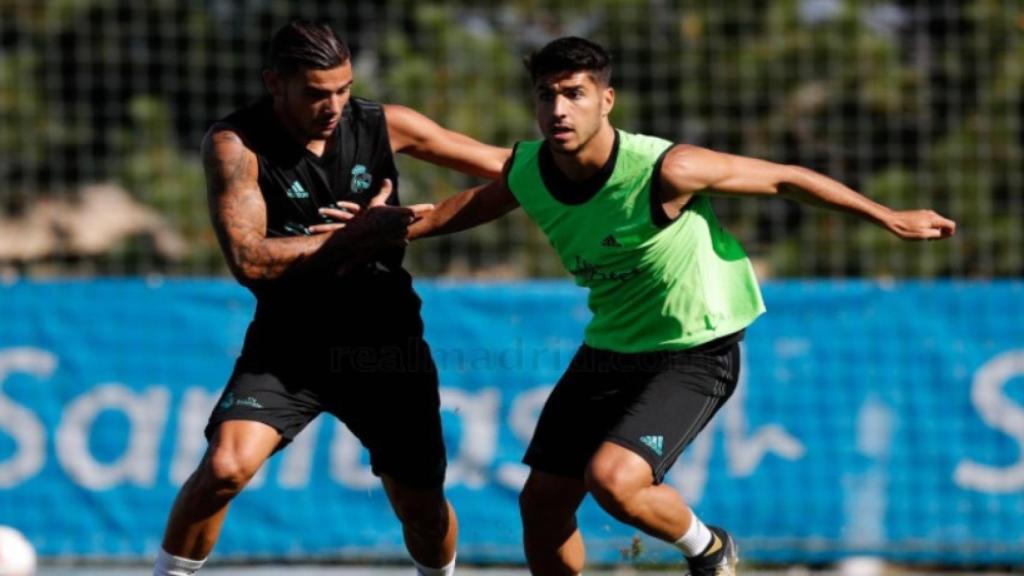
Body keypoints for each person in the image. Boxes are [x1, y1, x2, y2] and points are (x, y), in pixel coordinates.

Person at [399, 37, 956, 575]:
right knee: (542, 506)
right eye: (546, 95)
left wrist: (888, 216)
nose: (558, 109)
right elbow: (460, 209)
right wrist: (375, 231)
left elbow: (786, 178)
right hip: (610, 348)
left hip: (694, 351)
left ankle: (709, 549)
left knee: (613, 482)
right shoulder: (529, 170)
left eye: (574, 93)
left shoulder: (668, 169)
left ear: (606, 100)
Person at [152, 20, 509, 576]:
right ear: (275, 83)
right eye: (317, 93)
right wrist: (349, 238)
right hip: (290, 344)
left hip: (385, 342)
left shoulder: (385, 124)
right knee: (224, 468)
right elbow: (247, 260)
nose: (334, 104)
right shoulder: (235, 145)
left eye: (343, 89)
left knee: (421, 508)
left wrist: (598, 161)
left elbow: (510, 168)